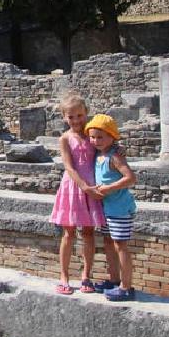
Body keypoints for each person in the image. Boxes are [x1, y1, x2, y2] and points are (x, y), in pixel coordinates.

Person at [49, 93, 105, 295]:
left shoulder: (92, 134)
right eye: (71, 117)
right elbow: (69, 167)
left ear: (86, 113)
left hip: (92, 186)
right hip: (73, 186)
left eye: (79, 116)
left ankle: (86, 276)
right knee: (69, 233)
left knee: (89, 233)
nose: (76, 120)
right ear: (64, 117)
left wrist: (120, 150)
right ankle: (64, 276)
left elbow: (107, 148)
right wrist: (84, 186)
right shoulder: (65, 138)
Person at [86, 114, 138, 302]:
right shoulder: (98, 155)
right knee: (108, 243)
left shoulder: (114, 156)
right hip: (106, 208)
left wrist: (108, 188)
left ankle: (126, 286)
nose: (96, 141)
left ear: (111, 137)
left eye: (100, 137)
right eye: (93, 137)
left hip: (119, 208)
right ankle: (114, 279)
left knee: (120, 245)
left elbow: (130, 178)